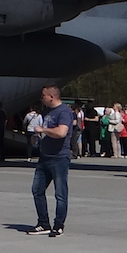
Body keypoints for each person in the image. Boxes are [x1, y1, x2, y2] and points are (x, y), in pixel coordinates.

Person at [27, 85, 72, 237]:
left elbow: (61, 132)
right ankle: (43, 223)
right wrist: (37, 137)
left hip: (59, 157)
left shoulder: (64, 112)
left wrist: (43, 130)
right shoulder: (47, 112)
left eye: (43, 95)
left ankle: (58, 225)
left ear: (51, 96)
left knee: (60, 193)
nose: (42, 98)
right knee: (37, 190)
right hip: (44, 156)